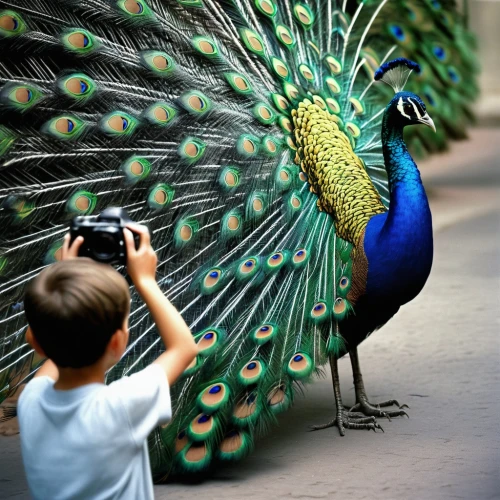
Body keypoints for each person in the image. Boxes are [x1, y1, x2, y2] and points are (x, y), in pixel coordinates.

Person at [17, 224, 198, 499]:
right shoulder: (121, 406)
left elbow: (53, 341)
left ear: (36, 343)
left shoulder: (30, 400)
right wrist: (146, 281)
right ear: (118, 342)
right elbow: (184, 348)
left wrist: (68, 278)